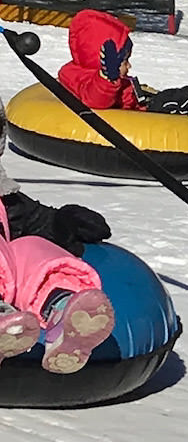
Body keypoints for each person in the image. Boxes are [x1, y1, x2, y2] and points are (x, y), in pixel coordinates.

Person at [0, 101, 115, 374]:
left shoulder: (5, 200)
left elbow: (33, 219)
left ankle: (63, 316)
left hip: (6, 277)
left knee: (33, 249)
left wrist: (64, 222)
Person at [57, 9, 188, 116]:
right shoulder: (88, 78)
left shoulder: (80, 69)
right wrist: (108, 78)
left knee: (179, 93)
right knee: (181, 100)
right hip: (140, 112)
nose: (129, 66)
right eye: (125, 61)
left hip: (141, 101)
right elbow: (95, 99)